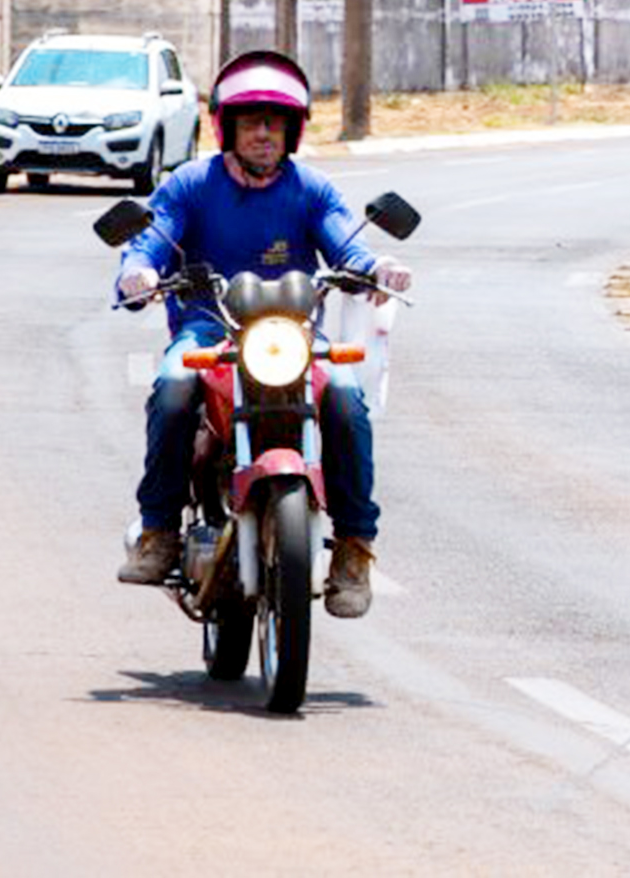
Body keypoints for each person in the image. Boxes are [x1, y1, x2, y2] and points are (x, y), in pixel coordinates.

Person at [112, 49, 411, 618]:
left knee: (346, 399)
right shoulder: (191, 185)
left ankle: (353, 547)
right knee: (174, 386)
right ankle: (159, 531)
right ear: (228, 127)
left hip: (292, 333)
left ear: (293, 130)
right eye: (252, 122)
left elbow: (348, 243)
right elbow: (152, 239)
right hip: (211, 327)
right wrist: (140, 271)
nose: (264, 134)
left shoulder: (310, 188)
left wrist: (379, 269)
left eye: (275, 123)